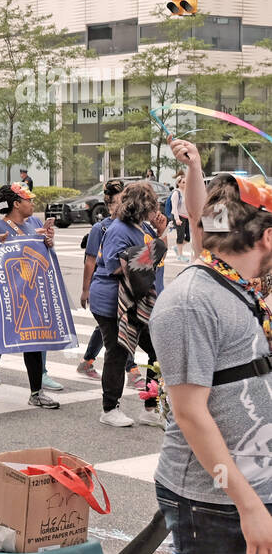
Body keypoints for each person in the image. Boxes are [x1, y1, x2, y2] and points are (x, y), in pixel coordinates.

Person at [152, 138, 272, 554]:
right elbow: (190, 413)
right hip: (214, 504)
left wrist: (197, 167)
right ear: (267, 236)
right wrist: (247, 503)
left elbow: (204, 225)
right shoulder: (190, 303)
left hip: (258, 487)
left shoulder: (242, 286)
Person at [0, 183, 61, 409]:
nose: (33, 204)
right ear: (16, 204)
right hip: (6, 295)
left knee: (33, 340)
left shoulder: (35, 223)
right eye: (28, 200)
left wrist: (48, 241)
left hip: (32, 292)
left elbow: (43, 253)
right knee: (0, 339)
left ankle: (36, 392)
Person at [89, 180, 166, 428]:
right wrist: (153, 251)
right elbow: (114, 266)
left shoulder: (141, 226)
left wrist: (159, 238)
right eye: (151, 206)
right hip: (112, 299)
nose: (155, 211)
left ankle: (150, 407)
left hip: (135, 299)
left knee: (156, 350)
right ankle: (109, 409)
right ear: (142, 207)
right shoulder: (118, 229)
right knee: (118, 352)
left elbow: (148, 255)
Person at [77, 180, 125, 379]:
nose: (121, 206)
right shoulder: (101, 228)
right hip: (105, 286)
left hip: (125, 289)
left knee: (109, 327)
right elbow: (90, 261)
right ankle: (131, 371)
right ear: (109, 205)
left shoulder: (132, 224)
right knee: (116, 332)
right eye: (117, 202)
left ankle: (87, 360)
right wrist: (85, 290)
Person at [172, 173, 191, 262]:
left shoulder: (187, 192)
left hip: (186, 217)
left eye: (186, 182)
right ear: (178, 183)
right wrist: (177, 219)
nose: (185, 184)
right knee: (180, 236)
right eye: (183, 182)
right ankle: (180, 255)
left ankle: (177, 247)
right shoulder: (176, 193)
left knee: (188, 238)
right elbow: (174, 207)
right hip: (178, 216)